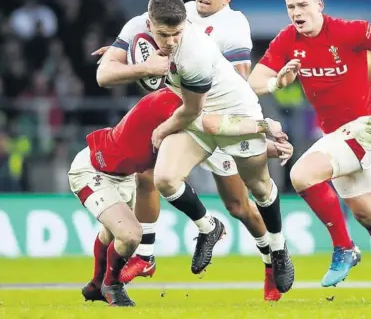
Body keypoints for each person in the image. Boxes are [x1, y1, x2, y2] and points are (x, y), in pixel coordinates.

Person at [94, 0, 289, 301]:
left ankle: (277, 251)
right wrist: (142, 67)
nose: (168, 42)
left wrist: (262, 127)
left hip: (228, 114)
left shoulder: (209, 41)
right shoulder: (157, 19)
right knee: (160, 178)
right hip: (192, 113)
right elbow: (105, 75)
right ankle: (196, 232)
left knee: (246, 200)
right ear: (150, 24)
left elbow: (200, 114)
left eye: (174, 35)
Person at [248, 0, 371, 302]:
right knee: (368, 214)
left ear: (319, 5)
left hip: (366, 128)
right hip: (337, 137)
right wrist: (277, 81)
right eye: (291, 7)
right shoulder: (288, 40)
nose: (297, 13)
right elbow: (254, 81)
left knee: (301, 174)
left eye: (303, 5)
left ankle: (344, 247)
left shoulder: (346, 31)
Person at [68, 87, 289, 307]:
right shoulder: (175, 107)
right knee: (129, 234)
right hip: (95, 170)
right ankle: (113, 284)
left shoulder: (184, 107)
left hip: (123, 175)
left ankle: (98, 284)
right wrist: (266, 126)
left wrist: (272, 147)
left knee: (112, 232)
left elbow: (221, 136)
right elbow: (214, 126)